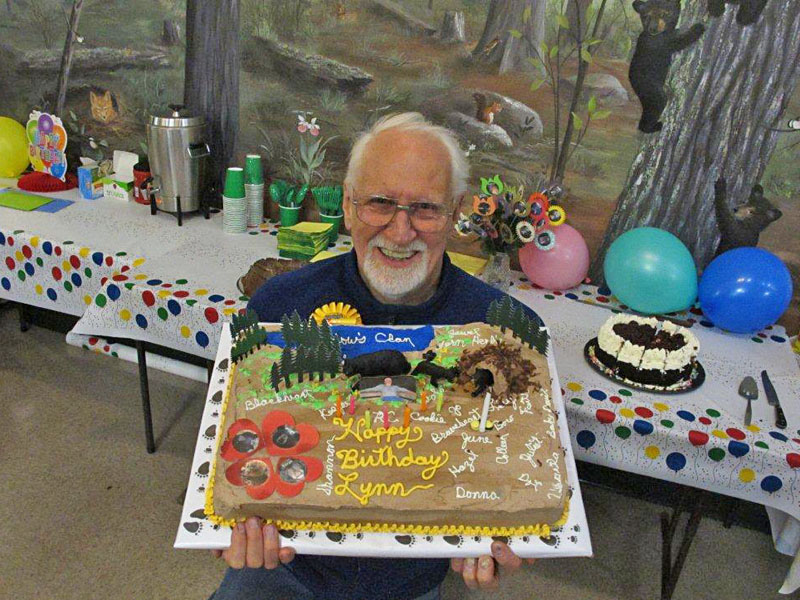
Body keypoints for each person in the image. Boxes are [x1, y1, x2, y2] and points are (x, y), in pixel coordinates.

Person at [211, 112, 539, 600]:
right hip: (283, 565)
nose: (401, 231)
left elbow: (520, 460)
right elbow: (225, 446)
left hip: (411, 578)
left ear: (456, 214)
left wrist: (512, 528)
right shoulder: (278, 306)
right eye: (380, 203)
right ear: (347, 205)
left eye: (425, 208)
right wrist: (221, 525)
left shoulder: (504, 329)